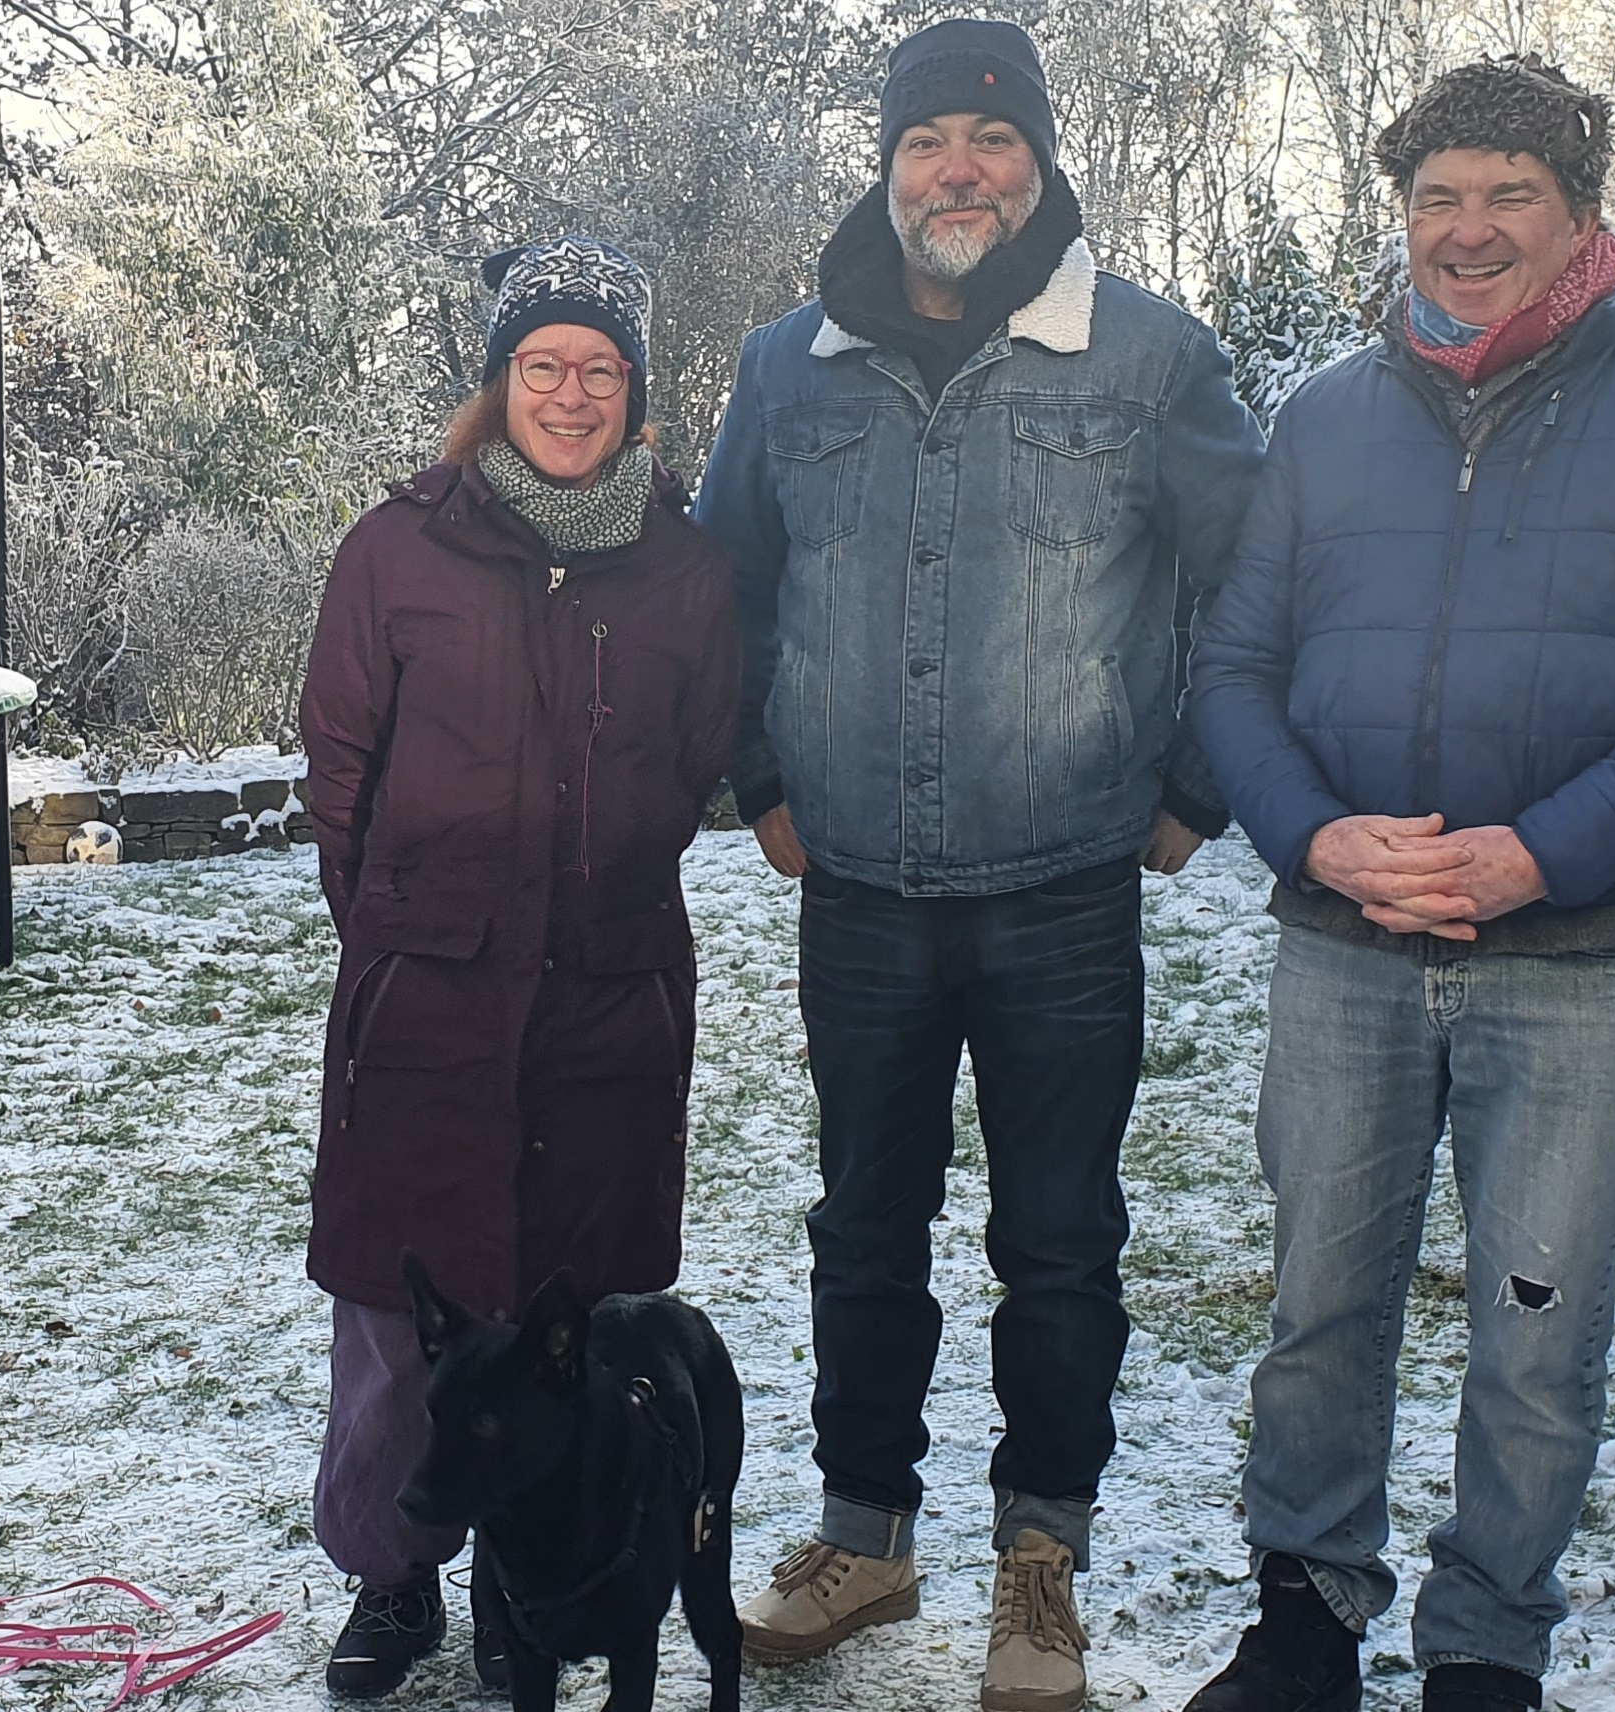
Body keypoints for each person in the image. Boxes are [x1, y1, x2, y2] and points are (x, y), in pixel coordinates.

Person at [1180, 56, 1615, 1712]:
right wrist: (1312, 836)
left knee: (1537, 1328)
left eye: (1508, 194)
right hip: (1344, 952)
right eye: (1437, 197)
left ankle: (1486, 1647)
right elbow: (1231, 670)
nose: (1467, 231)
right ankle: (1306, 1616)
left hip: (1582, 960)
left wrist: (1548, 850)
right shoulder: (1322, 415)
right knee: (1319, 1304)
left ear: (1581, 212)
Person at [692, 18, 1265, 1711]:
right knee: (865, 1224)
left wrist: (1198, 787)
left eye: (992, 142)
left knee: (1063, 1238)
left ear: (1041, 164)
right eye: (930, 140)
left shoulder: (1150, 359)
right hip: (857, 884)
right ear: (887, 163)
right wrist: (760, 779)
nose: (962, 172)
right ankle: (864, 1535)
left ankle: (1042, 1562)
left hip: (1070, 884)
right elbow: (726, 587)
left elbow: (1257, 585)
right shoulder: (787, 366)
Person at [297, 234, 742, 1699]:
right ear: (497, 385)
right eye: (543, 365)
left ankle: (536, 1590)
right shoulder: (398, 547)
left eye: (601, 369)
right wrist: (407, 930)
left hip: (607, 998)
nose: (571, 393)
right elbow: (341, 767)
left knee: (573, 1322)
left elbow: (694, 763)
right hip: (429, 995)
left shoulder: (684, 569)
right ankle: (390, 1578)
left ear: (637, 394)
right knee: (398, 1317)